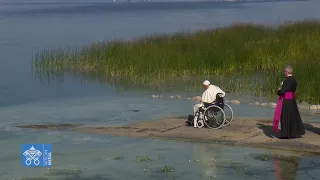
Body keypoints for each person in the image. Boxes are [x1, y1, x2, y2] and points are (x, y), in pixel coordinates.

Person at [273, 65, 305, 139]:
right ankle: (294, 133)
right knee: (293, 117)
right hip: (292, 101)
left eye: (284, 72)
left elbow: (283, 92)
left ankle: (286, 134)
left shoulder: (287, 81)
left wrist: (279, 90)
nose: (284, 73)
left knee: (285, 117)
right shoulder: (294, 80)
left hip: (287, 101)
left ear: (287, 72)